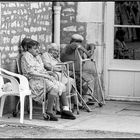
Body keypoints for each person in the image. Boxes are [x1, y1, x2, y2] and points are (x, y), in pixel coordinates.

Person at [20, 38, 76, 121]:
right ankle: (49, 112)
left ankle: (65, 110)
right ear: (28, 49)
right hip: (34, 80)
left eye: (38, 48)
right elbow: (30, 72)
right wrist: (45, 76)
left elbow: (42, 69)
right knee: (54, 87)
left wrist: (49, 73)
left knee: (61, 85)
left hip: (43, 78)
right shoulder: (26, 57)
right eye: (35, 49)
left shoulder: (38, 57)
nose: (37, 50)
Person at [41, 43, 80, 111]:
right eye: (55, 50)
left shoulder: (56, 57)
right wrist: (59, 69)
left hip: (60, 74)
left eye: (57, 51)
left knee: (71, 80)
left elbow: (63, 65)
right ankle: (64, 105)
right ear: (50, 50)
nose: (56, 52)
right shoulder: (45, 55)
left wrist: (61, 65)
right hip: (53, 73)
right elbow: (47, 66)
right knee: (67, 81)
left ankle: (70, 104)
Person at [61, 34, 97, 104]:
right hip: (70, 72)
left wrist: (91, 51)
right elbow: (75, 45)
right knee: (84, 84)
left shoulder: (79, 47)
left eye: (80, 42)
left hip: (78, 72)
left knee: (90, 78)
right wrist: (87, 52)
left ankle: (85, 99)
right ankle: (82, 100)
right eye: (79, 42)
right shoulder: (68, 48)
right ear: (73, 41)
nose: (80, 43)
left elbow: (92, 45)